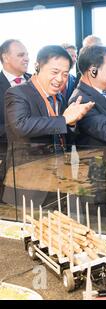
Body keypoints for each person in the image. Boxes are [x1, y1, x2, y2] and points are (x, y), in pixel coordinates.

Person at [3, 45, 94, 205]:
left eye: (65, 74)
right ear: (38, 66)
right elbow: (21, 126)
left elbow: (61, 134)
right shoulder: (18, 93)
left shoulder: (58, 98)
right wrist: (64, 120)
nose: (60, 79)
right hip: (28, 184)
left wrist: (71, 123)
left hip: (58, 181)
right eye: (54, 72)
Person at [0, 39, 31, 199]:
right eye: (21, 55)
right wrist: (21, 131)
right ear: (5, 58)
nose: (26, 58)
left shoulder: (36, 81)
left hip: (41, 157)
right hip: (7, 159)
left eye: (27, 54)